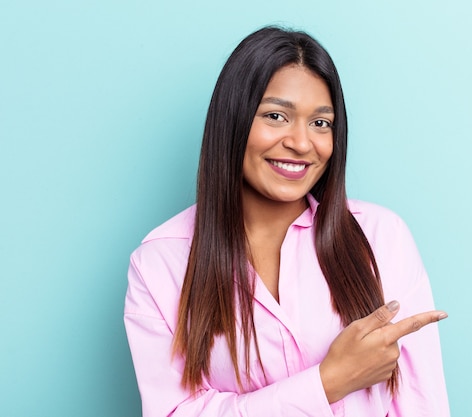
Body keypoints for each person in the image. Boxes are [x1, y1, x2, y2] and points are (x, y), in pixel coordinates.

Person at [124, 26, 450, 417]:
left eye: (320, 123)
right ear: (233, 121)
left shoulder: (381, 236)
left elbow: (421, 404)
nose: (301, 142)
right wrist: (328, 383)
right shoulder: (160, 263)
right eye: (276, 116)